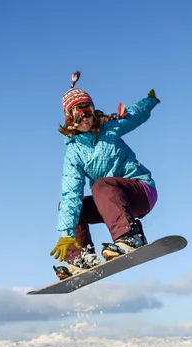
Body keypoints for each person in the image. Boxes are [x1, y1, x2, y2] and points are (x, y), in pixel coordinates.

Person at [49, 71, 161, 280]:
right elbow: (70, 195)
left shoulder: (109, 129)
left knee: (101, 185)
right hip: (111, 204)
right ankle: (81, 258)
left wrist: (150, 101)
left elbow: (135, 116)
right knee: (73, 206)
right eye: (78, 113)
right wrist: (66, 235)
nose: (85, 117)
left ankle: (129, 237)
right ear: (69, 118)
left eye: (88, 110)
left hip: (141, 192)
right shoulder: (74, 154)